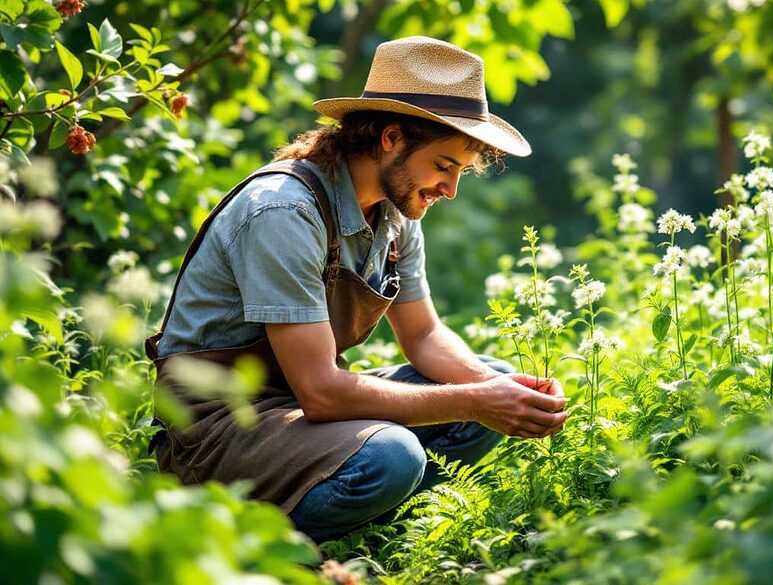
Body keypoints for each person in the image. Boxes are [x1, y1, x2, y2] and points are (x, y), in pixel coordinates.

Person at [146, 36, 568, 543]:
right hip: (218, 433)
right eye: (443, 166)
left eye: (459, 173)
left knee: (492, 381)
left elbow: (424, 335)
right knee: (394, 454)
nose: (450, 191)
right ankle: (260, 549)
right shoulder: (283, 212)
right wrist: (476, 400)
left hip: (296, 416)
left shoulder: (397, 213)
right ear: (391, 138)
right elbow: (322, 392)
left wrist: (498, 392)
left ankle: (367, 530)